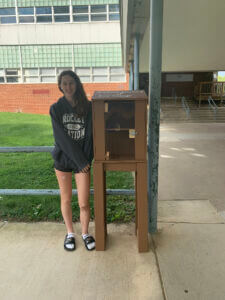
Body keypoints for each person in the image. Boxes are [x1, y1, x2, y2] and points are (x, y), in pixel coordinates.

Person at [49, 70, 95, 251]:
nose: (68, 86)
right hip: (63, 161)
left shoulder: (88, 107)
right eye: (64, 83)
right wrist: (80, 161)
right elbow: (61, 139)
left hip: (82, 161)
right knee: (66, 199)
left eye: (71, 83)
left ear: (77, 84)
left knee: (83, 202)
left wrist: (85, 160)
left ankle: (85, 233)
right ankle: (70, 233)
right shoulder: (56, 109)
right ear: (60, 86)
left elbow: (90, 135)